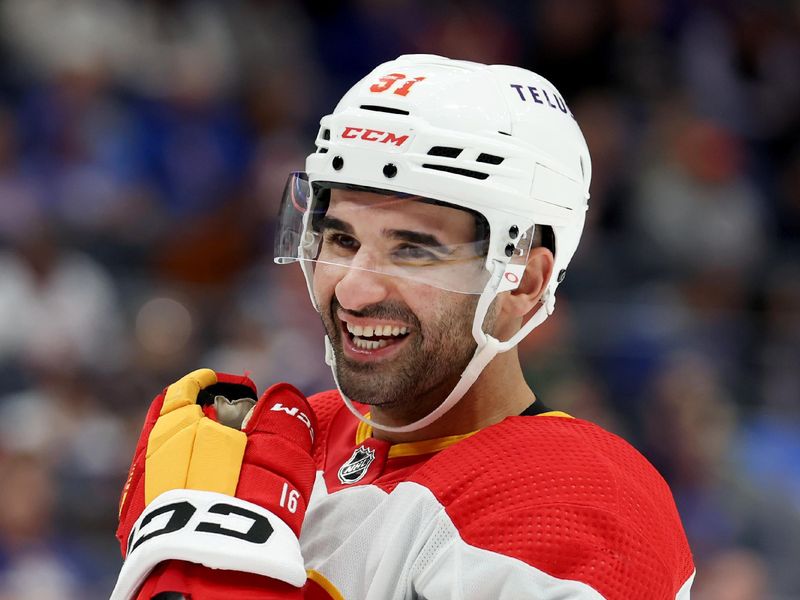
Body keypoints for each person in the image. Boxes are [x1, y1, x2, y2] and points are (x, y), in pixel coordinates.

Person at [112, 55, 695, 600]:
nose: (353, 289)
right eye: (341, 240)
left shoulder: (582, 498)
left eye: (413, 251)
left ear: (522, 281)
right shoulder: (283, 437)